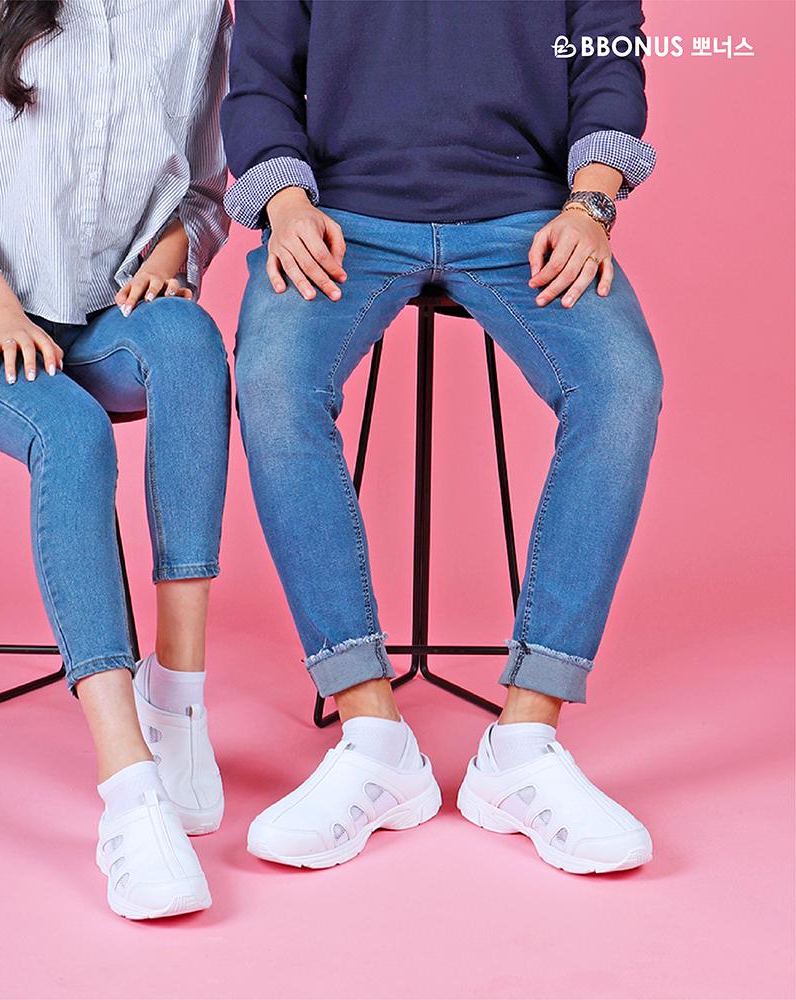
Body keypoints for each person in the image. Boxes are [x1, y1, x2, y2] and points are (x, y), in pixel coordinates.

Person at [222, 0, 662, 875]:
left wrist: (591, 204)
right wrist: (285, 202)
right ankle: (372, 737)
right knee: (272, 380)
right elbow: (259, 75)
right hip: (341, 215)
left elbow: (610, 59)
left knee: (623, 387)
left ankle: (524, 744)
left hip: (528, 215)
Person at [0, 0, 232, 919]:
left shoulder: (199, 9)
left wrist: (177, 244)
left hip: (110, 313)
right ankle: (130, 794)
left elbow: (205, 186)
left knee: (194, 349)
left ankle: (179, 703)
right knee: (73, 434)